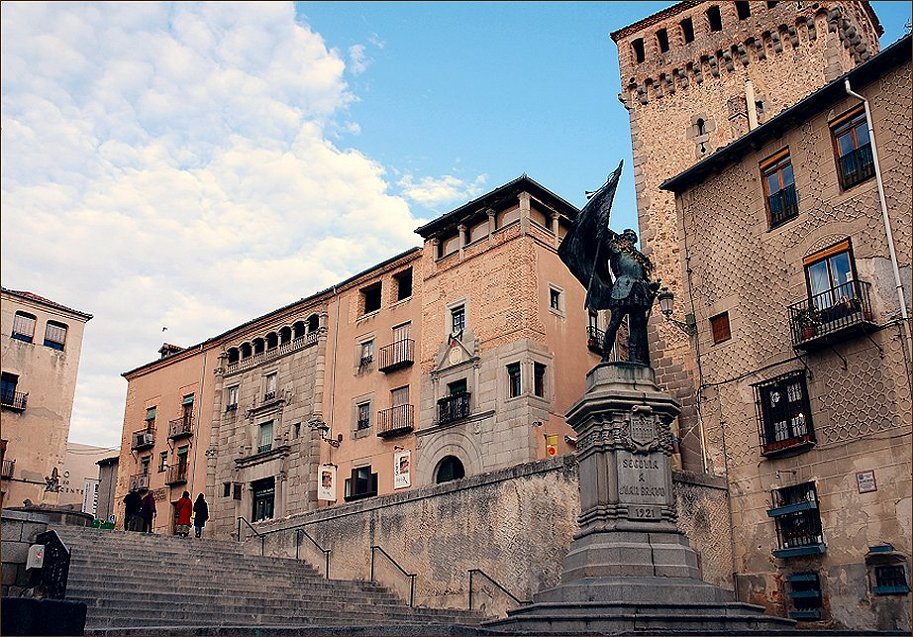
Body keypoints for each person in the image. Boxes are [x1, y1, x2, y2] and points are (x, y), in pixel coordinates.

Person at [558, 161, 660, 366]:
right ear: (623, 238)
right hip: (621, 289)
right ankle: (605, 355)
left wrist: (651, 286)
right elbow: (600, 237)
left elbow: (645, 277)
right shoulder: (615, 249)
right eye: (628, 236)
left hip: (639, 290)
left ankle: (633, 357)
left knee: (638, 326)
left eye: (633, 237)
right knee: (614, 323)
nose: (631, 238)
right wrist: (602, 220)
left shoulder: (639, 258)